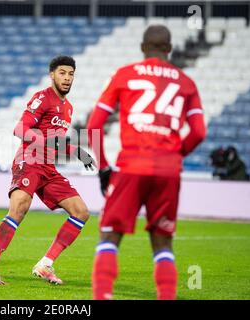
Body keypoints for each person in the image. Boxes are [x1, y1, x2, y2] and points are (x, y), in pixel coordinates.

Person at [87, 25, 206, 300]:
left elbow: (94, 125)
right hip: (168, 170)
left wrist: (104, 167)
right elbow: (199, 132)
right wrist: (175, 155)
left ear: (142, 48)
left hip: (131, 166)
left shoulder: (125, 74)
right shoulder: (186, 83)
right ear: (170, 49)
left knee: (110, 235)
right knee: (163, 242)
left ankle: (103, 296)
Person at [0, 56, 95, 285]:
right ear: (52, 75)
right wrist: (42, 140)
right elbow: (20, 129)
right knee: (19, 209)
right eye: (62, 73)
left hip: (48, 168)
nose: (67, 78)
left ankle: (45, 264)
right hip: (29, 162)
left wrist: (78, 151)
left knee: (81, 212)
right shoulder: (43, 97)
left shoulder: (68, 108)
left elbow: (56, 142)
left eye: (71, 74)